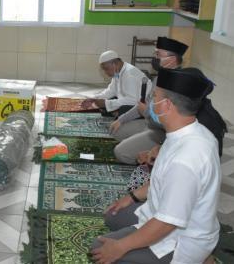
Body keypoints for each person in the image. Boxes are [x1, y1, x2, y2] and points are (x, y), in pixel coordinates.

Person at [90, 68, 220, 264]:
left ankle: (200, 260)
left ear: (166, 105)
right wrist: (131, 197)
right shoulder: (187, 131)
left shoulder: (186, 159)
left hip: (180, 239)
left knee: (100, 249)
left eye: (154, 97)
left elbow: (167, 223)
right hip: (165, 214)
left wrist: (120, 247)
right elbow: (161, 182)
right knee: (113, 215)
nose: (150, 102)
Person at [110, 37, 188, 164]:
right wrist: (121, 119)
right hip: (150, 125)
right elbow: (144, 104)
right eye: (155, 53)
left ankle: (157, 157)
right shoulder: (161, 77)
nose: (155, 58)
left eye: (158, 54)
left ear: (172, 59)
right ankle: (146, 145)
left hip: (165, 133)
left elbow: (168, 122)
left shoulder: (179, 84)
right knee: (116, 131)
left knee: (121, 152)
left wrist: (146, 112)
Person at [81, 50, 151, 116]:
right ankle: (115, 113)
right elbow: (111, 91)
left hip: (144, 104)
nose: (105, 72)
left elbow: (133, 100)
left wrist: (106, 104)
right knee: (105, 103)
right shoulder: (117, 72)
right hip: (127, 100)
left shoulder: (129, 75)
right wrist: (94, 99)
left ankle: (117, 113)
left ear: (115, 64)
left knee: (121, 109)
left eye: (106, 69)